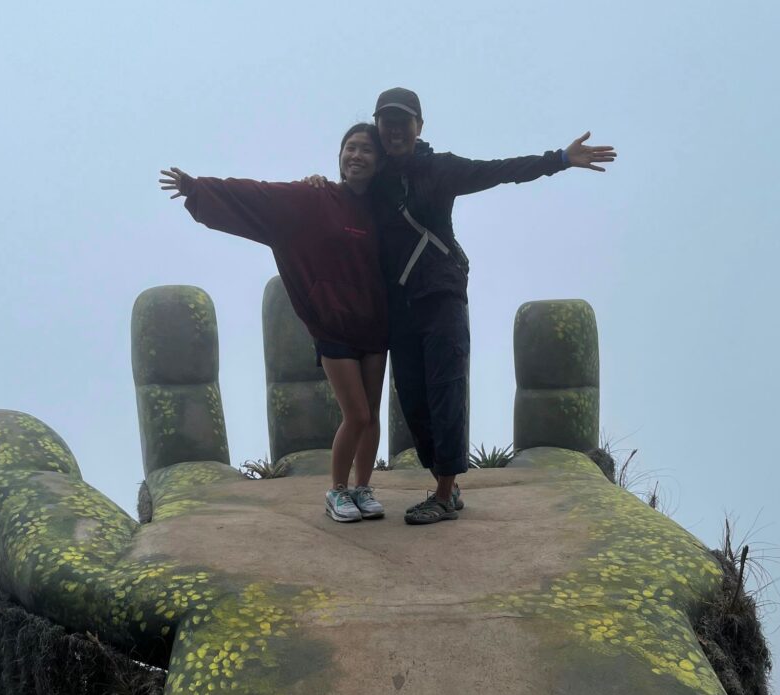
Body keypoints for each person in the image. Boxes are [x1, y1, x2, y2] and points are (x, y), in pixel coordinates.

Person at [313, 89, 617, 524]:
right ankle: (442, 484)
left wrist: (561, 159)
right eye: (388, 122)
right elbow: (345, 195)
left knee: (445, 390)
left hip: (441, 295)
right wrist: (315, 185)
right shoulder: (376, 180)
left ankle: (444, 492)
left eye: (404, 121)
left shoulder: (440, 168)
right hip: (399, 305)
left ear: (420, 127)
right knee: (413, 399)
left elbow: (500, 171)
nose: (395, 130)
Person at [159, 124, 389, 523]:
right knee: (357, 415)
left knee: (372, 414)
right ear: (339, 156)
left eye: (366, 150)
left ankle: (362, 488)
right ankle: (337, 490)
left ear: (380, 161)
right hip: (333, 326)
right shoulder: (314, 199)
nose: (356, 155)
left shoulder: (384, 210)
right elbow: (260, 197)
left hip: (374, 324)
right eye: (349, 147)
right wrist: (198, 188)